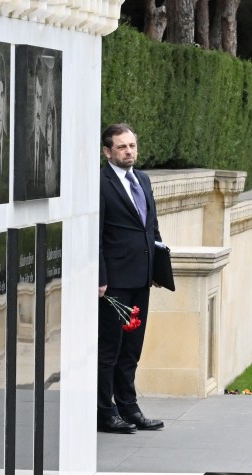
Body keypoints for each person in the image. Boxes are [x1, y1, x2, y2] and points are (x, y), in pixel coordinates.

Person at [98, 123, 165, 434]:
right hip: (113, 282)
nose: (129, 151)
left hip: (142, 278)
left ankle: (129, 407)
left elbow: (150, 225)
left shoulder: (143, 179)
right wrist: (99, 278)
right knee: (109, 349)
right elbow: (94, 235)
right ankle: (104, 412)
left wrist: (158, 266)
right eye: (122, 147)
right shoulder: (100, 182)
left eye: (132, 146)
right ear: (108, 151)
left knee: (132, 348)